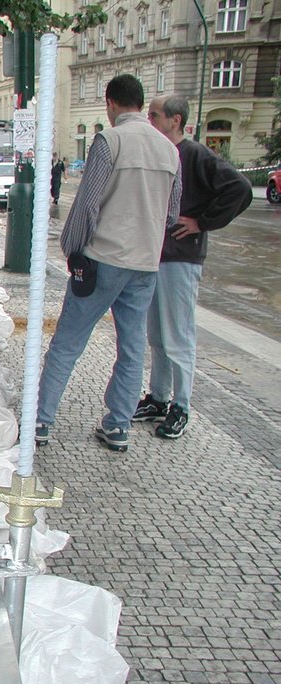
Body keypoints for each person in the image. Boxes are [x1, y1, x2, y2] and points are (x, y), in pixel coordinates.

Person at [34, 74, 182, 452]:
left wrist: (72, 249)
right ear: (141, 103)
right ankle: (118, 427)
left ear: (111, 103)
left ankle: (41, 422)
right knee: (132, 348)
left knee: (68, 343)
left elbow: (87, 203)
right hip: (145, 265)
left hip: (103, 259)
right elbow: (172, 213)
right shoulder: (170, 151)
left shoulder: (109, 140)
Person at [133, 94, 253, 438]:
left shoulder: (196, 155)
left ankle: (181, 405)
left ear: (175, 120)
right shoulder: (161, 152)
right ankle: (159, 396)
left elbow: (239, 188)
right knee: (157, 333)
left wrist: (203, 222)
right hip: (155, 255)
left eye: (155, 116)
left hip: (180, 258)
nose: (150, 121)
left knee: (178, 335)